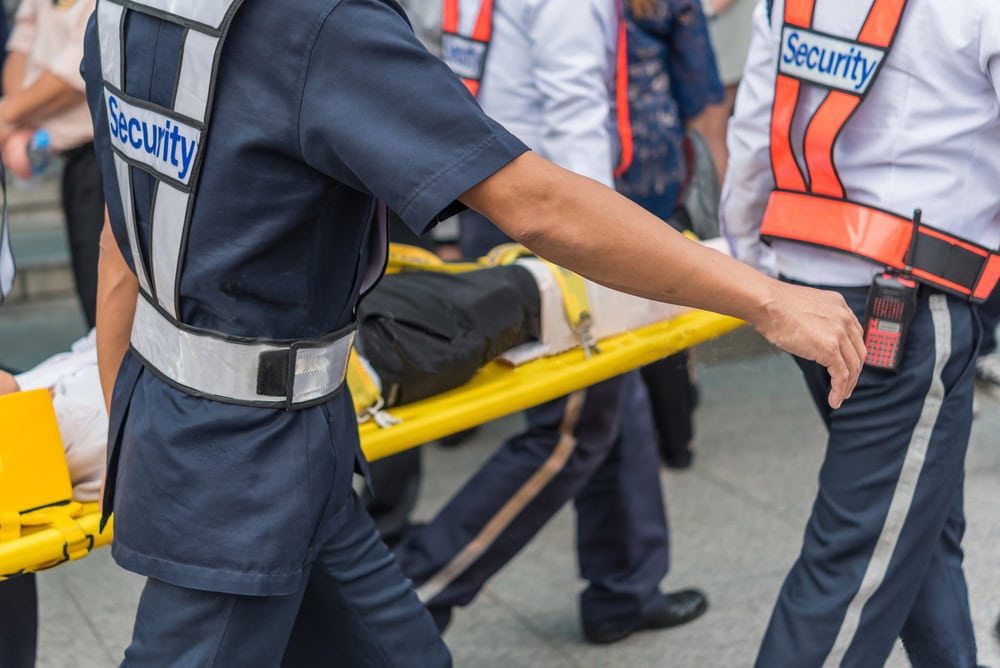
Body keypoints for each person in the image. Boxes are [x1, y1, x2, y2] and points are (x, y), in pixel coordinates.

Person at [84, 0, 862, 665]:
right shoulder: (319, 24)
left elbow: (124, 230)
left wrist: (139, 425)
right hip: (244, 470)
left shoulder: (132, 9)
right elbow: (538, 205)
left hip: (242, 442)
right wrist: (765, 298)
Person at [721, 0, 1000, 665]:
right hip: (910, 307)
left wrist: (757, 277)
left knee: (915, 526)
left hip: (805, 290)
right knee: (854, 565)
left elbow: (753, 139)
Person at [617, 0, 723, 468]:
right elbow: (700, 95)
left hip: (574, 161)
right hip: (651, 159)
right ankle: (677, 438)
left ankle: (626, 439)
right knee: (658, 298)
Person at [2, 0, 103, 329]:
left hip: (105, 159)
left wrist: (8, 114)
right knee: (92, 292)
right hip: (73, 163)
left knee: (104, 293)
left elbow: (83, 62)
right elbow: (20, 47)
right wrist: (19, 115)